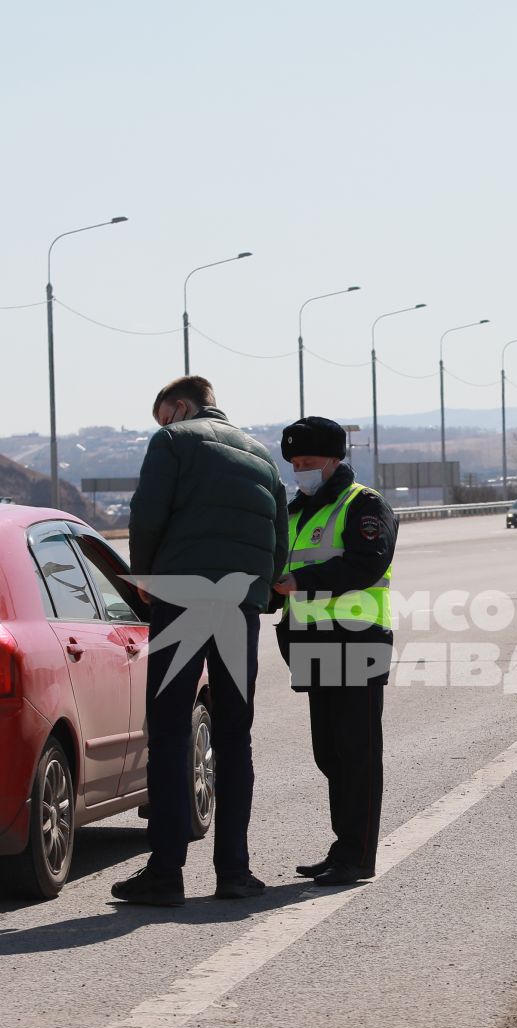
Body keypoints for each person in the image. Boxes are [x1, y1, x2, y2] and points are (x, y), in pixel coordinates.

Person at [112, 375, 287, 907]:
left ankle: (166, 873)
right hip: (238, 607)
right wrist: (264, 595)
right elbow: (278, 535)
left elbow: (146, 516)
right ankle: (234, 870)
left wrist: (144, 583)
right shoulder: (262, 456)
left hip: (182, 598)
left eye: (163, 414)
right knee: (235, 734)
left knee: (168, 732)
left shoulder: (172, 441)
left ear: (181, 407)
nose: (161, 425)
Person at [273, 417, 397, 886]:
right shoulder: (296, 512)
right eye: (294, 463)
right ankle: (343, 846)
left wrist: (303, 581)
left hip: (356, 641)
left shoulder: (363, 504)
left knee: (357, 752)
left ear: (334, 459)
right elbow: (283, 574)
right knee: (329, 752)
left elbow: (367, 563)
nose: (300, 470)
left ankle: (358, 856)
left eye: (307, 462)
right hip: (311, 642)